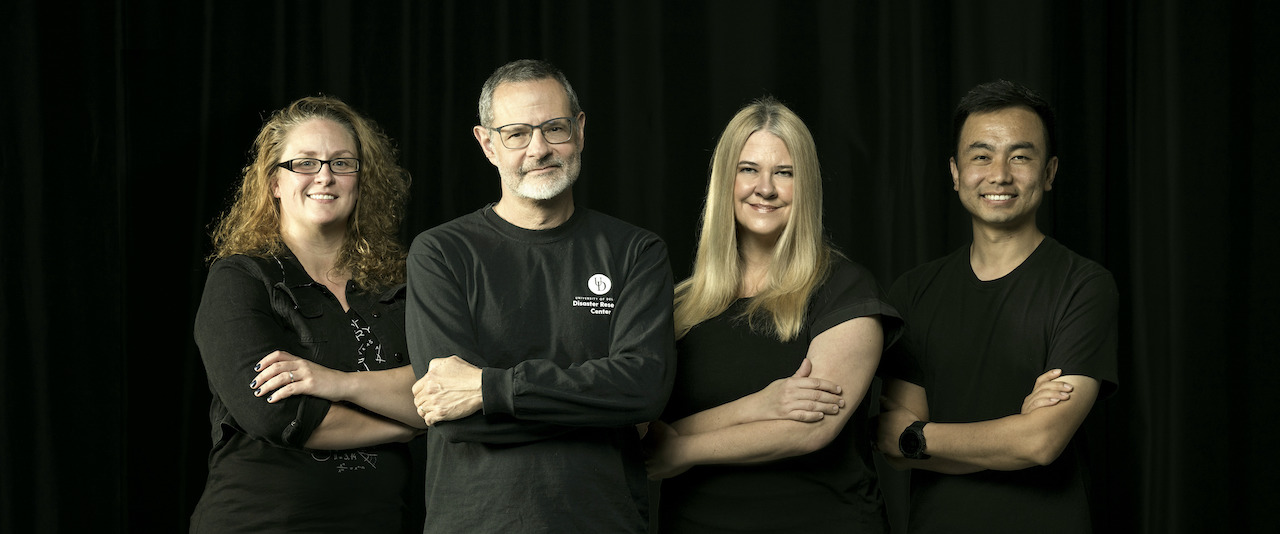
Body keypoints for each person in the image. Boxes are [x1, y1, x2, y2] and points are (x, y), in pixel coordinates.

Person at [405, 59, 676, 533]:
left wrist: (489, 390)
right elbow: (454, 416)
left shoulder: (635, 251)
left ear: (580, 130)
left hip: (604, 520)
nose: (539, 149)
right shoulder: (442, 252)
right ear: (487, 143)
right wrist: (593, 403)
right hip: (477, 521)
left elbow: (643, 389)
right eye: (516, 134)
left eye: (554, 128)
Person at [645, 98, 902, 533]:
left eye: (784, 173)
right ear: (725, 180)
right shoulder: (678, 306)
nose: (765, 188)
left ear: (807, 187)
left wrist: (683, 449)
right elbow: (643, 430)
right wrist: (761, 405)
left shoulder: (844, 288)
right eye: (748, 170)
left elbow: (810, 429)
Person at [876, 80, 1119, 532]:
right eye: (981, 155)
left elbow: (1040, 443)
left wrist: (923, 439)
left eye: (1021, 156)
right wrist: (1011, 433)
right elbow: (893, 444)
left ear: (1049, 173)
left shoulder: (1084, 286)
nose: (1000, 174)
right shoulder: (913, 292)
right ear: (955, 172)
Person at [191, 95, 422, 533]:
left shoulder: (396, 284)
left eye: (341, 163)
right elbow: (278, 417)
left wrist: (337, 384)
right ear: (274, 182)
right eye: (305, 163)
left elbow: (436, 386)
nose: (325, 177)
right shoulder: (241, 279)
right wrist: (408, 425)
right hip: (261, 523)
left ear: (361, 180)